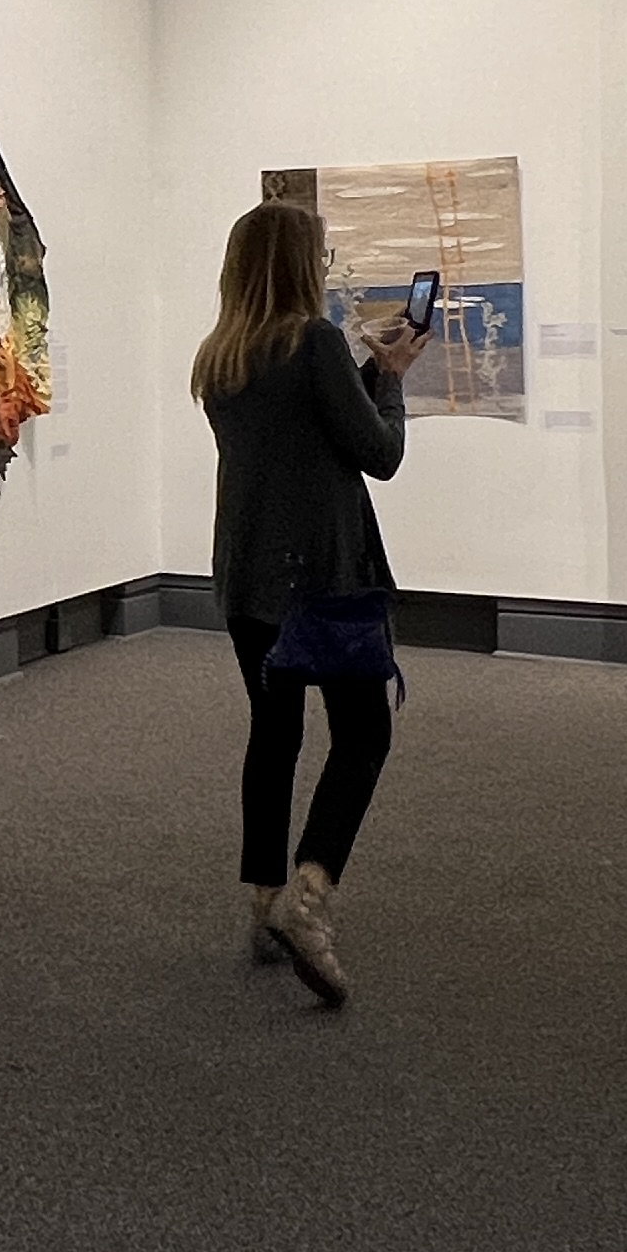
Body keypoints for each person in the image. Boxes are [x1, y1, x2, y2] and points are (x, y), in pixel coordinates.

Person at [195, 198, 423, 1004]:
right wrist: (390, 382)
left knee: (274, 732)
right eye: (321, 256)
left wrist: (367, 376)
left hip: (247, 576)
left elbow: (300, 429)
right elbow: (378, 453)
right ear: (301, 265)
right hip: (322, 580)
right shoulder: (315, 342)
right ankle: (309, 895)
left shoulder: (220, 356)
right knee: (363, 734)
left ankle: (263, 903)